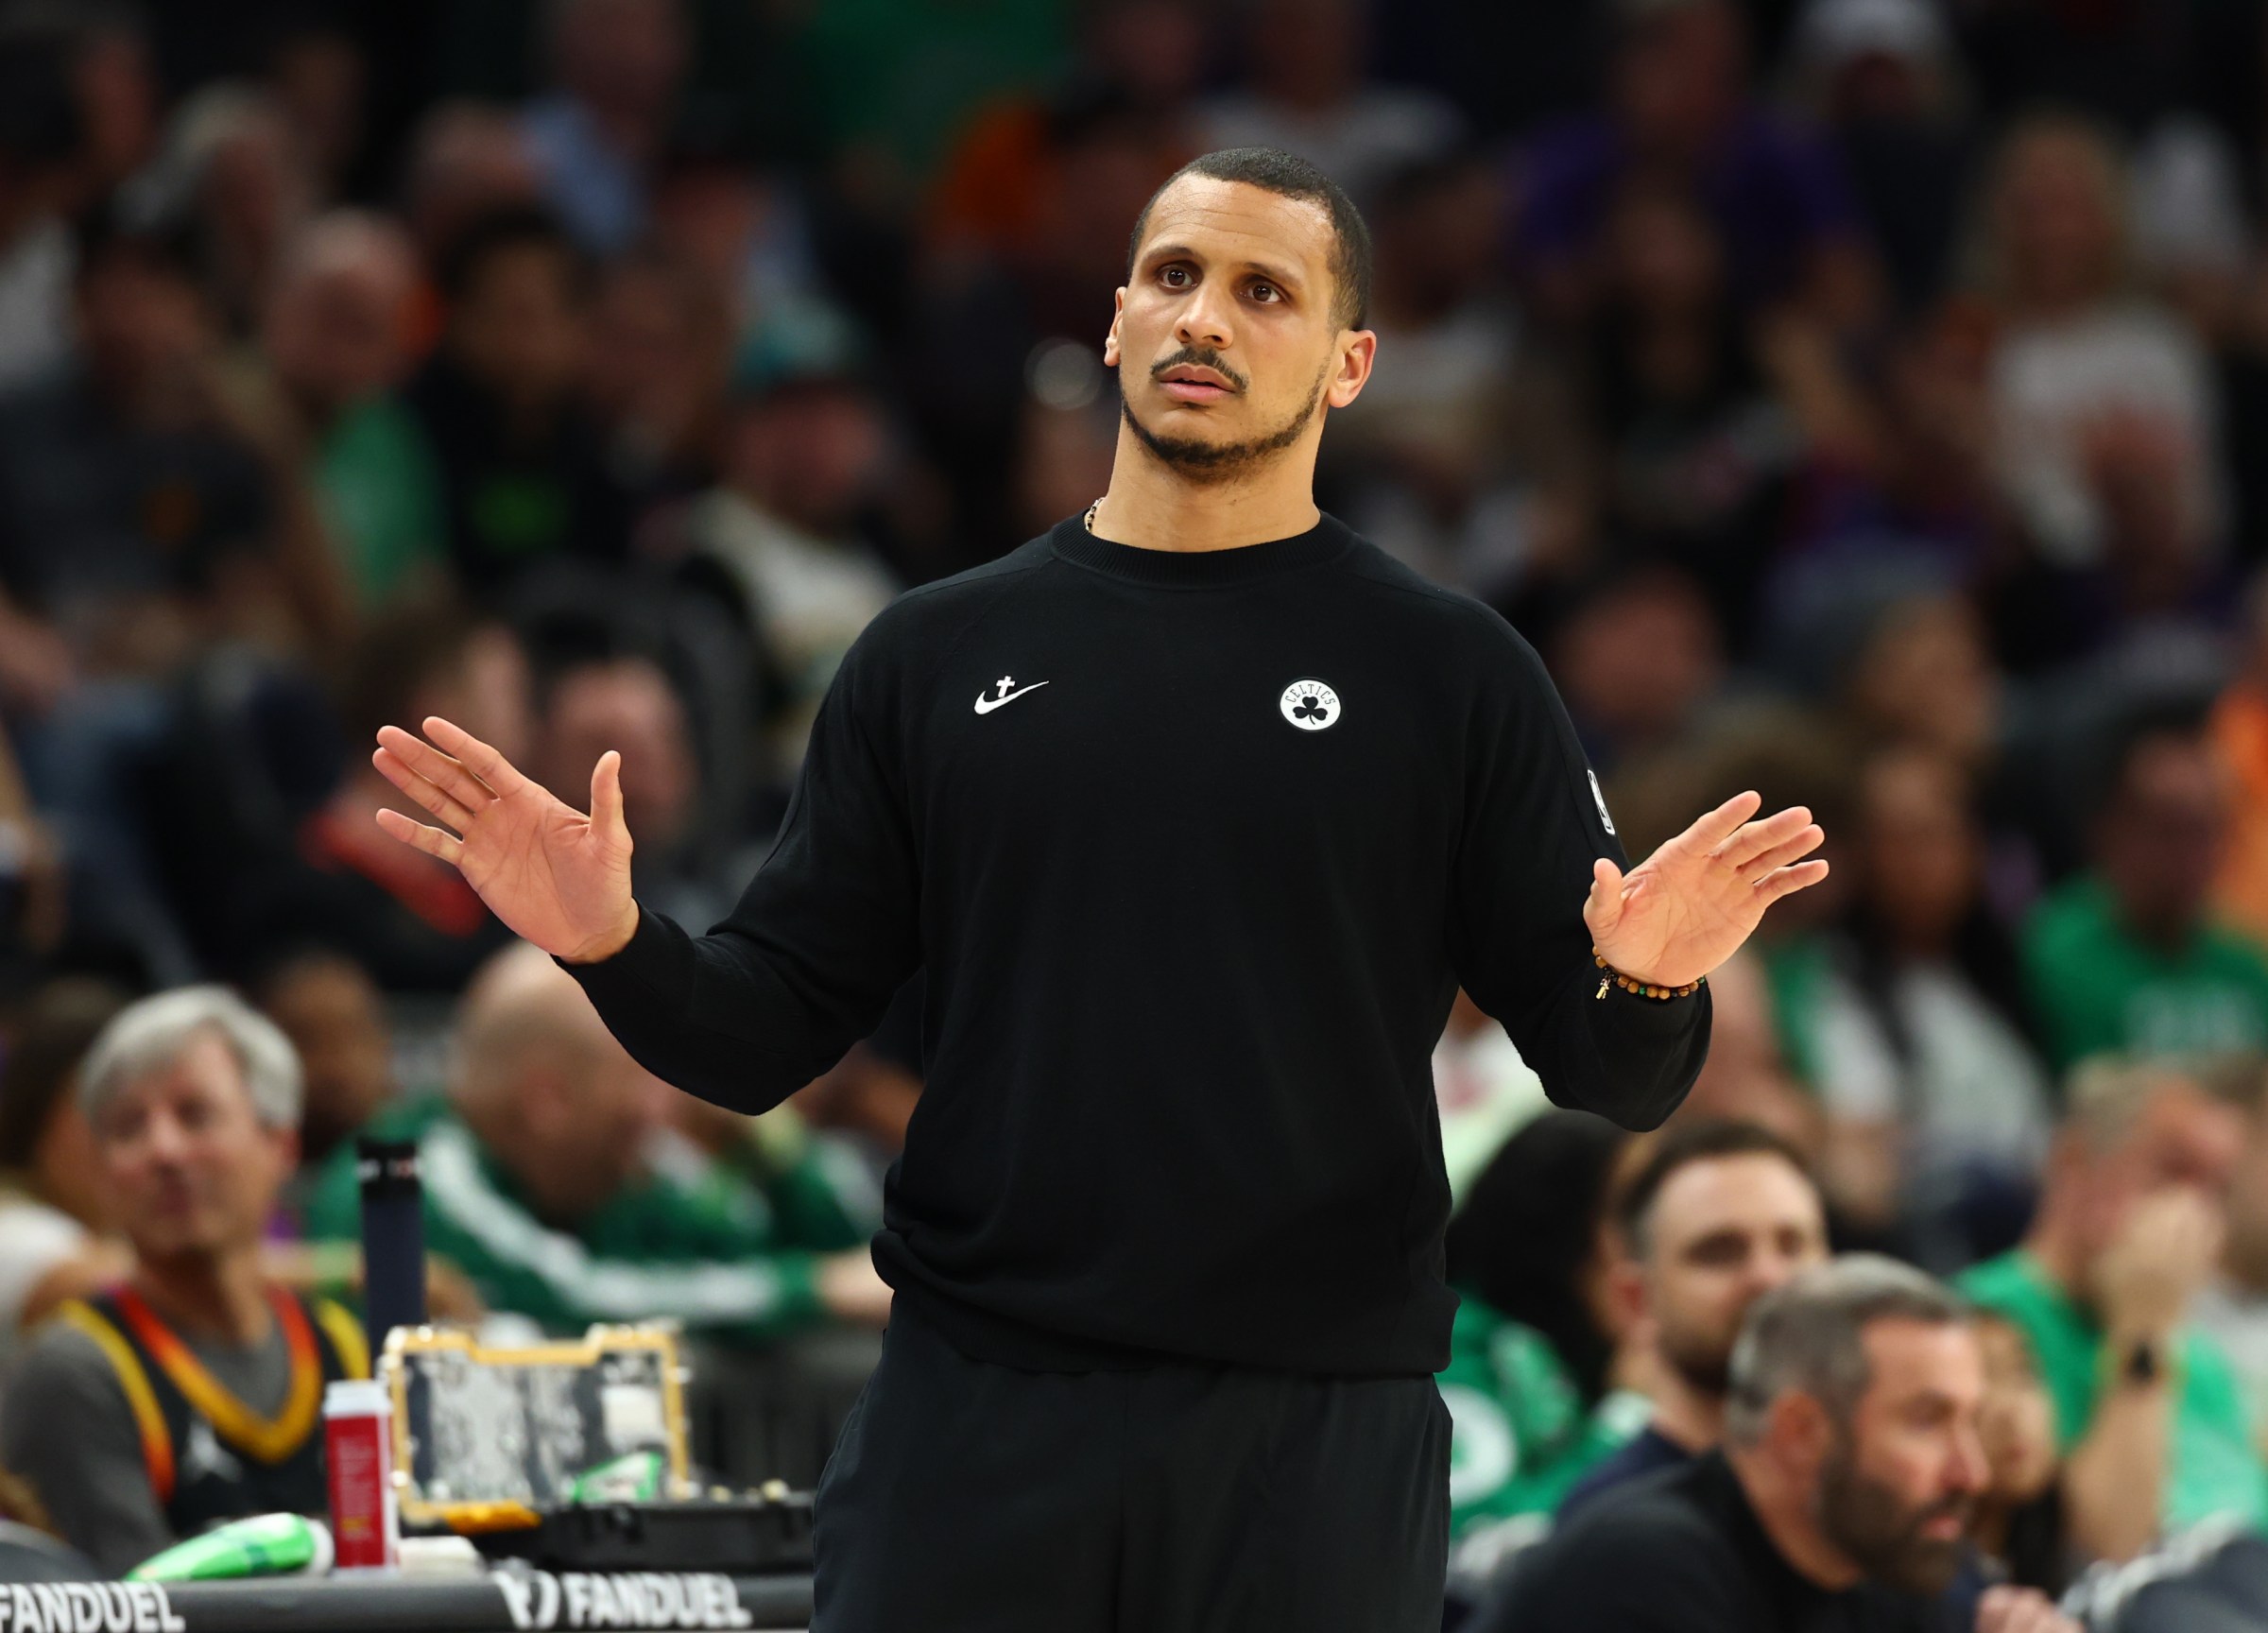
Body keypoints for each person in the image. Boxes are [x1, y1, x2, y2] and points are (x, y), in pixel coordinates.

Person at [369, 146, 1828, 1630]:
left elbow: (1612, 1075)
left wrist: (1652, 973)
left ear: (1348, 364)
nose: (1207, 318)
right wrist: (609, 943)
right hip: (981, 1409)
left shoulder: (1452, 675)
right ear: (1119, 317)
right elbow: (766, 1033)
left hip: (1312, 1437)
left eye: (1265, 291)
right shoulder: (927, 657)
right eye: (1177, 277)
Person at [301, 941, 889, 1347]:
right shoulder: (406, 1174)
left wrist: (765, 1127)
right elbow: (579, 1296)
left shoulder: (628, 1155)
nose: (667, 1104)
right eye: (642, 1073)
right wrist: (811, 1291)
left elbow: (838, 1251)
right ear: (548, 1100)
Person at [1475, 1256, 2076, 1633]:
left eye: (1970, 1422)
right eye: (1927, 1422)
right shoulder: (1646, 1570)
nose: (1970, 1473)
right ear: (1801, 1434)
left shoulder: (1894, 1553)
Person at [0, 988, 366, 1576]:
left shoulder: (347, 1350)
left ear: (280, 1144)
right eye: (127, 1128)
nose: (163, 1150)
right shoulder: (73, 1372)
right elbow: (146, 1609)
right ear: (102, 1174)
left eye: (194, 1115)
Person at [1957, 1057, 2268, 1560]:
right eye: (2170, 1172)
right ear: (2073, 1160)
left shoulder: (2198, 1356)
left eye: (2216, 1189)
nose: (2192, 1213)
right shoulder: (1986, 1327)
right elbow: (2106, 1549)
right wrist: (2142, 1328)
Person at [1556, 1118, 1830, 1521]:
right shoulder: (1612, 1526)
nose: (1768, 1277)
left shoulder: (1886, 1480)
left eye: (1792, 1245)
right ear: (1636, 1301)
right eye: (1719, 1251)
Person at [2022, 719, 2268, 1070]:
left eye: (2204, 831)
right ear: (2110, 829)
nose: (2189, 853)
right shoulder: (2061, 951)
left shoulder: (2245, 965)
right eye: (2168, 830)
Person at [0, 979, 129, 1380]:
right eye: (94, 1107)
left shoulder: (111, 1234)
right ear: (37, 1116)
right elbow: (126, 1287)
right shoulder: (14, 1229)